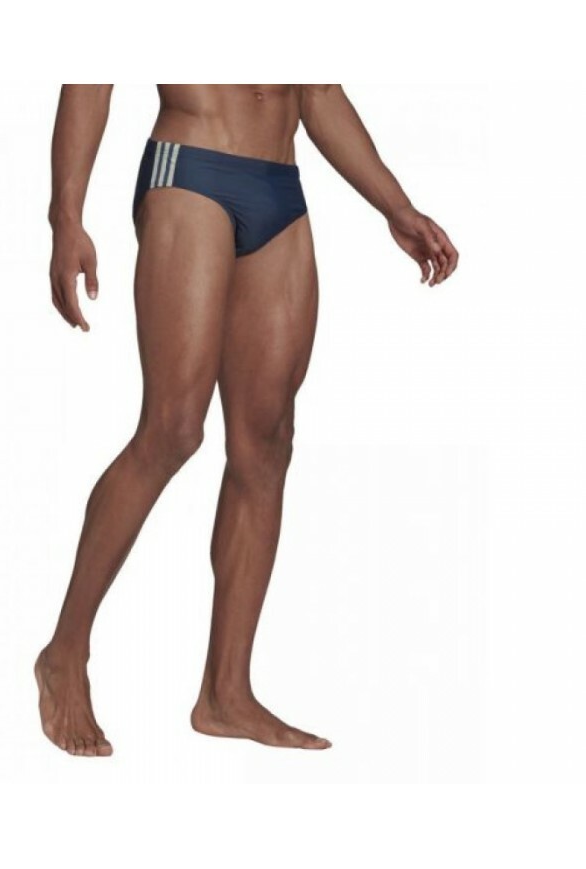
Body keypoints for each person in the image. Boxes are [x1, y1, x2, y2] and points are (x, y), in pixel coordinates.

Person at [35, 84, 459, 757]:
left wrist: (396, 205)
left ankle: (226, 693)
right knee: (172, 428)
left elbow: (317, 89)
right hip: (191, 167)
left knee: (266, 442)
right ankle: (65, 652)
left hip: (280, 185)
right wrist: (67, 217)